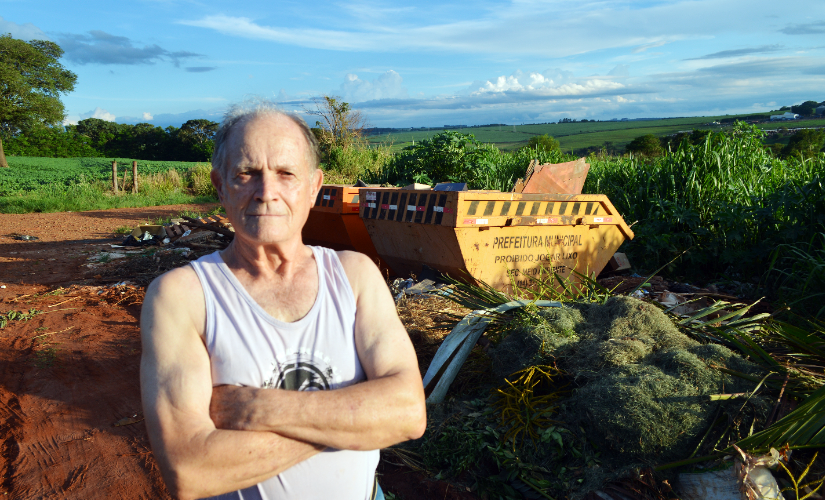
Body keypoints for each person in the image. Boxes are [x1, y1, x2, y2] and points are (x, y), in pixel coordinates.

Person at [140, 101, 427, 500]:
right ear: (221, 186)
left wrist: (256, 409)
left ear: (313, 187)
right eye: (247, 173)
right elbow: (190, 470)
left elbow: (408, 414)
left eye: (286, 173)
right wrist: (354, 423)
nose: (267, 193)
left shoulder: (355, 275)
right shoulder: (183, 296)